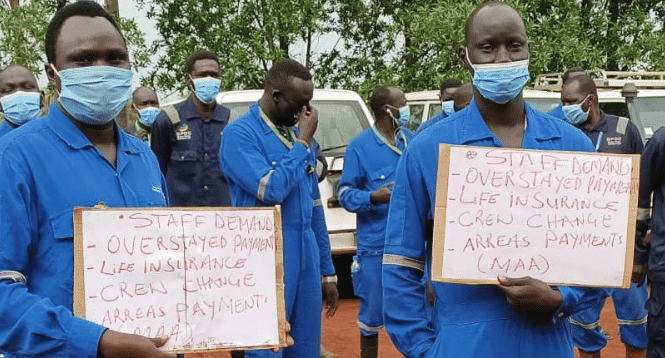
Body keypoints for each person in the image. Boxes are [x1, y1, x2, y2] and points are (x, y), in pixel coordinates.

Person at [382, 2, 604, 357]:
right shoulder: (428, 150)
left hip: (548, 344)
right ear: (465, 56)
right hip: (461, 345)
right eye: (488, 47)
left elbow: (600, 259)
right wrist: (423, 350)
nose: (503, 58)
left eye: (514, 45)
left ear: (529, 50)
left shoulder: (572, 146)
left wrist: (563, 299)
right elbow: (401, 265)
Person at [0, 2, 175, 357]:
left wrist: (243, 319)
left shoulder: (144, 159)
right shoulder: (15, 157)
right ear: (53, 74)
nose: (102, 69)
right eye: (82, 60)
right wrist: (97, 342)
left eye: (115, 58)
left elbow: (171, 268)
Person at [219, 59, 339, 358]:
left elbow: (315, 209)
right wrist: (301, 143)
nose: (306, 114)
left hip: (306, 255)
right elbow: (271, 190)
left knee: (306, 348)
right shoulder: (240, 135)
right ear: (275, 96)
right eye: (300, 104)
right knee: (266, 347)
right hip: (265, 257)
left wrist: (327, 273)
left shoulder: (297, 138)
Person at [558, 74, 647, 358]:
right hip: (580, 251)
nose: (565, 108)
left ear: (590, 101)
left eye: (570, 102)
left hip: (621, 248)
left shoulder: (625, 129)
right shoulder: (563, 133)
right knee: (584, 330)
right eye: (562, 102)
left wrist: (638, 250)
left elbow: (642, 189)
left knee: (636, 326)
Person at [337, 86, 414, 358]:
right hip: (376, 247)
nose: (406, 110)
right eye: (402, 104)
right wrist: (374, 196)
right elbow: (345, 194)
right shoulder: (360, 146)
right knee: (371, 318)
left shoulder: (411, 141)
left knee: (416, 314)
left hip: (413, 245)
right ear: (386, 110)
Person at [150, 50, 231, 207]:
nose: (209, 79)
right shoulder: (168, 119)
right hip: (181, 220)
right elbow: (157, 173)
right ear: (189, 78)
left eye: (214, 75)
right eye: (202, 75)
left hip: (223, 221)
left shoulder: (230, 121)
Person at [633, 119, 665, 357]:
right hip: (664, 266)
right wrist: (638, 256)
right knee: (661, 338)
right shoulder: (661, 142)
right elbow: (641, 201)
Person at [0, 65, 42, 137]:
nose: (19, 93)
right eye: (8, 90)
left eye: (27, 87)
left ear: (41, 98)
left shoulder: (59, 133)